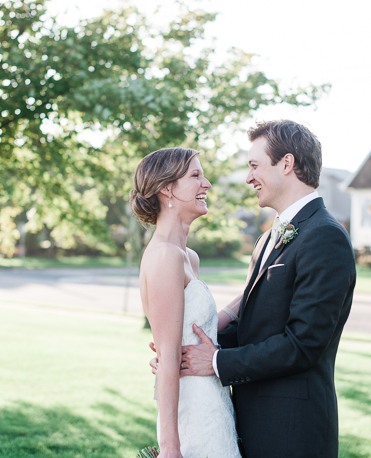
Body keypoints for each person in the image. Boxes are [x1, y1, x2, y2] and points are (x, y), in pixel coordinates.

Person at [178, 119, 356, 458]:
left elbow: (302, 344)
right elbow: (257, 325)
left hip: (291, 431)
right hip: (251, 422)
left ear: (286, 164)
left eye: (254, 165)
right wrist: (185, 353)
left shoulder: (325, 236)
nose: (248, 177)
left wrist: (216, 361)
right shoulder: (267, 238)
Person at [130, 147, 240, 458]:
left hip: (214, 399)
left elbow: (195, 331)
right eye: (195, 176)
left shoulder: (188, 257)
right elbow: (167, 359)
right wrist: (170, 446)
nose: (206, 184)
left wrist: (246, 297)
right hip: (192, 410)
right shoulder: (165, 256)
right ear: (167, 189)